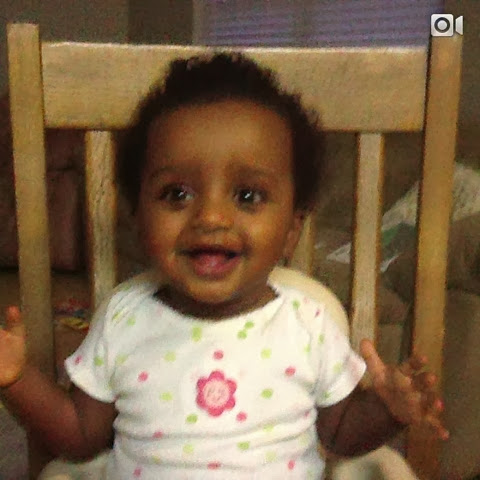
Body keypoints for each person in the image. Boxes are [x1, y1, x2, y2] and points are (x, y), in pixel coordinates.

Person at [0, 53, 448, 479]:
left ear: (291, 229)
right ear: (138, 218)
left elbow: (340, 434)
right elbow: (79, 436)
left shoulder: (307, 323)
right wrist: (16, 379)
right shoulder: (123, 318)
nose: (211, 217)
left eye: (247, 196)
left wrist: (388, 411)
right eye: (177, 194)